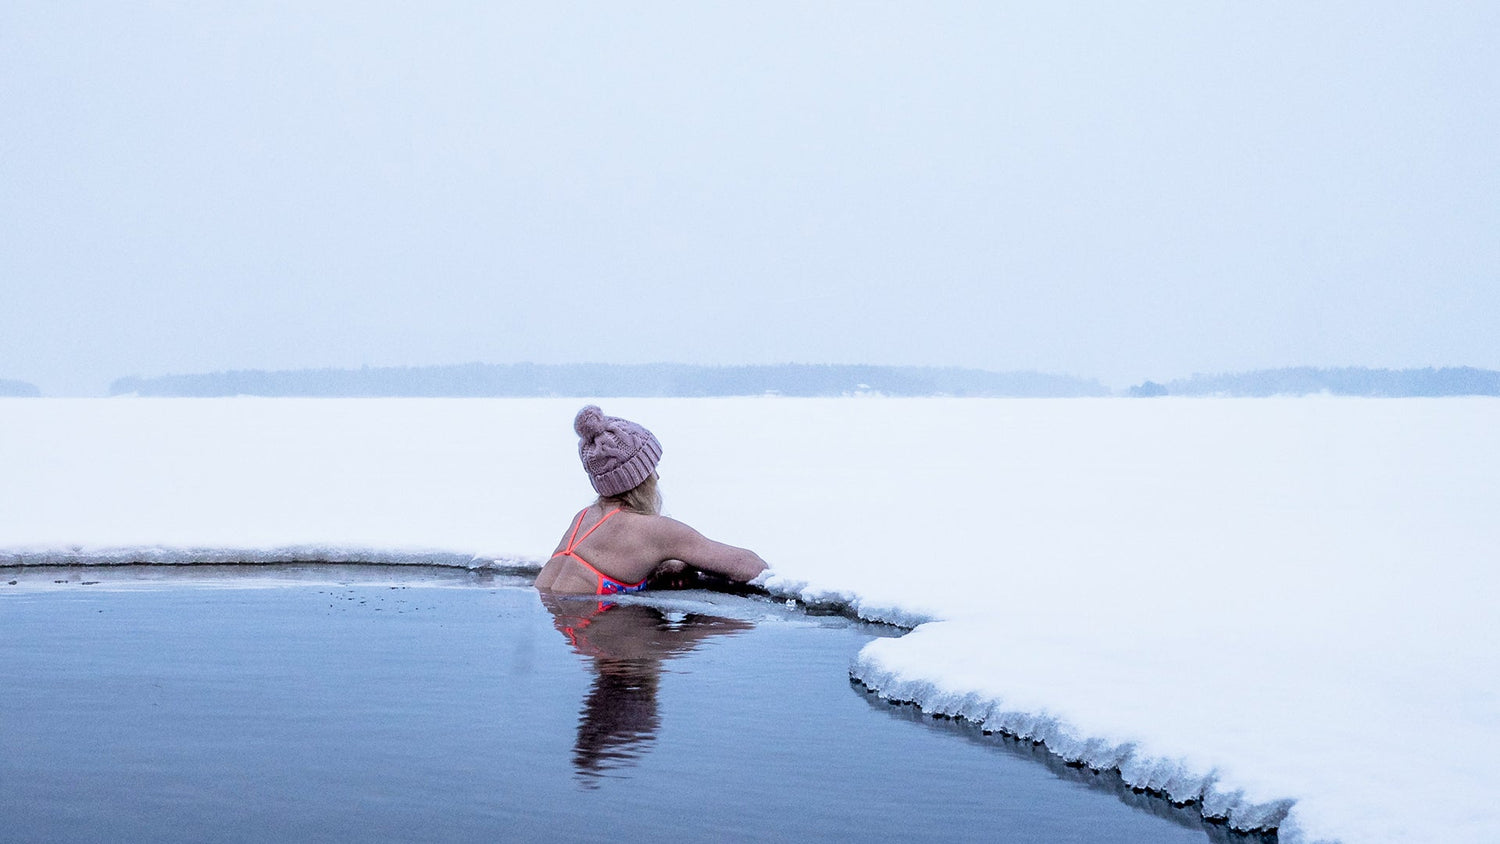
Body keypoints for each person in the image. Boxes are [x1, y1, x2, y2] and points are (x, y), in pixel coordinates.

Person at [534, 405, 768, 595]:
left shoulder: (583, 518)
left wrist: (664, 566)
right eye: (652, 469)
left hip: (568, 638)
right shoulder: (653, 530)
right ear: (639, 478)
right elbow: (752, 566)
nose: (657, 476)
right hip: (603, 636)